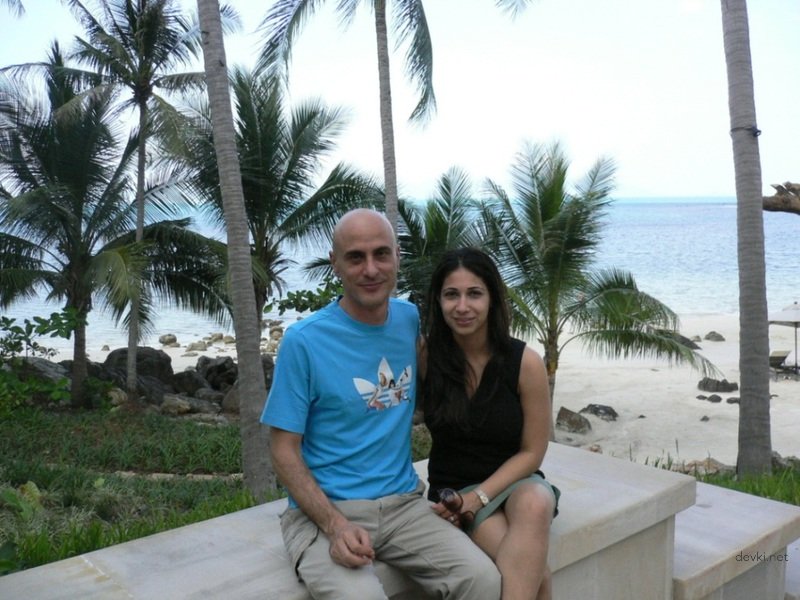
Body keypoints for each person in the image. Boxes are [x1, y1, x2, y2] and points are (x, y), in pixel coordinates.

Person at [260, 210, 501, 600]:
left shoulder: (407, 318)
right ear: (335, 263)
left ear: (397, 257)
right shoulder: (303, 341)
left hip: (404, 505)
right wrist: (335, 525)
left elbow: (450, 381)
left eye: (381, 254)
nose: (371, 269)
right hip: (327, 512)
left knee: (482, 579)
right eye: (356, 257)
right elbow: (282, 449)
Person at [420, 247, 560, 600]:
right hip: (454, 490)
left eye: (474, 294)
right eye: (451, 295)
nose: (462, 306)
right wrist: (466, 500)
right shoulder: (425, 358)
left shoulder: (524, 363)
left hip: (515, 481)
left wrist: (479, 497)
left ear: (493, 299)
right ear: (438, 301)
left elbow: (532, 452)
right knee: (536, 574)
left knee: (537, 502)